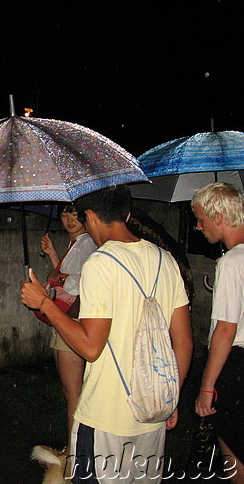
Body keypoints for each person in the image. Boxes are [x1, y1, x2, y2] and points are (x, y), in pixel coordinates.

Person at [21, 185, 193, 482]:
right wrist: (171, 396)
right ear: (126, 213)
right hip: (151, 413)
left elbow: (90, 347)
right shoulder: (166, 260)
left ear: (89, 215)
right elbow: (183, 340)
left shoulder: (100, 263)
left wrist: (45, 304)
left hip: (106, 418)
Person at [192, 182, 244, 483]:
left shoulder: (232, 262)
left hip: (236, 367)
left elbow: (225, 329)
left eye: (201, 219)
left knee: (233, 453)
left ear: (219, 218)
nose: (198, 227)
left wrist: (207, 387)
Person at [39, 205, 96, 454]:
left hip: (72, 322)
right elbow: (65, 273)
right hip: (63, 319)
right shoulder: (77, 243)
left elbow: (78, 282)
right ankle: (75, 447)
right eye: (64, 214)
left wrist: (57, 278)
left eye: (75, 214)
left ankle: (76, 453)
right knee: (69, 389)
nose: (70, 219)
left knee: (74, 392)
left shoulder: (89, 243)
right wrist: (53, 254)